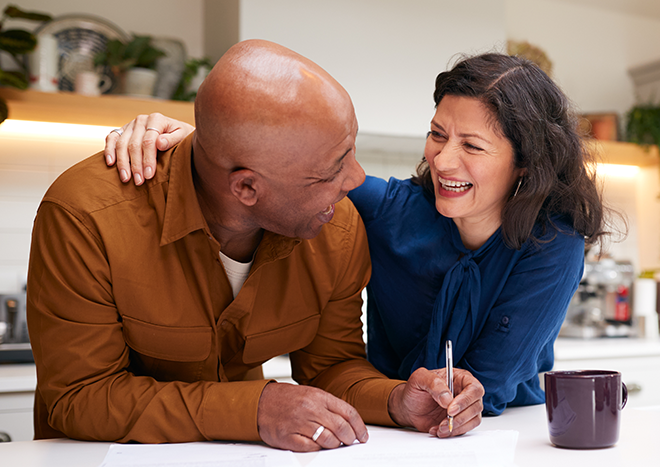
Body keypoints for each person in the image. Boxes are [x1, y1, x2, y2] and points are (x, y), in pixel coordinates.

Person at [27, 40, 484, 452]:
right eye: (330, 170)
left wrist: (397, 399)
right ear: (246, 188)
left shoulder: (336, 226)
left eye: (351, 150)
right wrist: (255, 409)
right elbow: (79, 397)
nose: (356, 180)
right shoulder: (86, 217)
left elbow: (331, 367)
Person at [105, 52, 608, 416]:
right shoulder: (392, 211)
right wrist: (196, 142)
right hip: (388, 420)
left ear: (526, 164)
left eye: (471, 145)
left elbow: (486, 387)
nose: (443, 160)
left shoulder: (553, 245)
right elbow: (286, 173)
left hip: (497, 434)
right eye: (437, 134)